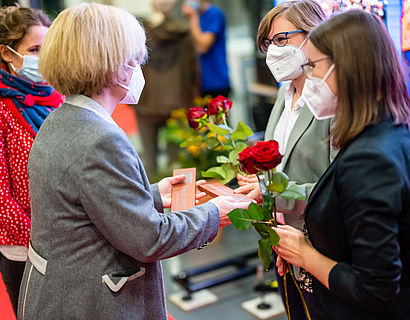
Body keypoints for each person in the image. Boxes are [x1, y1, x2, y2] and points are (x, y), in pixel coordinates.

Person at [17, 3, 251, 319]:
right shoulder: (99, 138)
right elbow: (149, 239)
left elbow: (86, 203)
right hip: (90, 300)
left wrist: (153, 194)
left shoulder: (62, 117)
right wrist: (214, 213)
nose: (139, 67)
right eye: (134, 59)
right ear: (112, 65)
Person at [274, 9, 410, 319]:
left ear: (345, 68)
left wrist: (306, 256)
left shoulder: (369, 159)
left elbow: (375, 287)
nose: (307, 79)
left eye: (312, 66)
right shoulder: (390, 132)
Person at [234, 1, 333, 318]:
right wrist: (261, 183)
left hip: (324, 248)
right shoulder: (284, 92)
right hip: (284, 242)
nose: (272, 52)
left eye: (280, 40)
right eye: (267, 43)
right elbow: (279, 165)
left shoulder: (331, 100)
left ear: (314, 35)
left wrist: (279, 192)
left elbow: (341, 186)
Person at [0, 5, 63, 316]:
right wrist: (42, 243)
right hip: (25, 251)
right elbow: (1, 198)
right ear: (9, 54)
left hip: (68, 242)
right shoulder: (2, 110)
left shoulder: (58, 96)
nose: (44, 58)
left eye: (47, 48)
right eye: (35, 49)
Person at [134, 0, 200, 177]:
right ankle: (180, 204)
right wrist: (190, 99)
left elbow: (131, 65)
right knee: (176, 164)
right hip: (177, 102)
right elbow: (191, 69)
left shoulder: (140, 30)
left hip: (146, 101)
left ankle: (148, 202)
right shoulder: (183, 30)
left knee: (149, 162)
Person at [182, 0, 230, 98]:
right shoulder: (198, 16)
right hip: (200, 83)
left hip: (217, 83)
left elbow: (203, 46)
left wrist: (193, 18)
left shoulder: (214, 14)